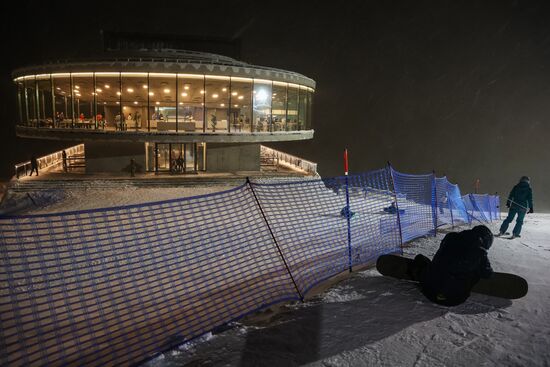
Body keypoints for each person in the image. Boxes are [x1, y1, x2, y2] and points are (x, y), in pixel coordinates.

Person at [408, 225, 493, 306]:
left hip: (427, 290)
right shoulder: (480, 253)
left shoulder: (450, 237)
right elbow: (488, 274)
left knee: (422, 259)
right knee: (478, 271)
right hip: (454, 299)